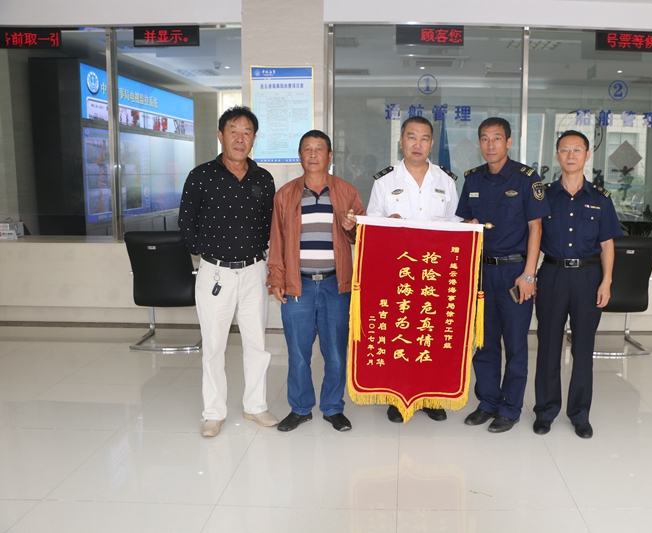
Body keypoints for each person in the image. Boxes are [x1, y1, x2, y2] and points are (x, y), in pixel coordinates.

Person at [178, 106, 276, 438]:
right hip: (215, 273)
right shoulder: (201, 175)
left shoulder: (263, 178)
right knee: (214, 345)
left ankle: (255, 406)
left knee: (257, 343)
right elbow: (186, 220)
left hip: (254, 271)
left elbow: (270, 224)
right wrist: (202, 250)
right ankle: (213, 413)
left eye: (247, 132)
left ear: (254, 139)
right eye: (233, 131)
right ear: (220, 135)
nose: (240, 138)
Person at [455, 117, 549, 433]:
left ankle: (510, 408)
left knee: (515, 344)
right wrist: (467, 227)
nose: (490, 145)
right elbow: (464, 223)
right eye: (484, 138)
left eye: (496, 138)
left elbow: (536, 228)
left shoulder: (526, 179)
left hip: (514, 273)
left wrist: (529, 275)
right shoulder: (473, 180)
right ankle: (488, 402)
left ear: (508, 142)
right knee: (484, 342)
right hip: (481, 273)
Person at [267, 130, 365, 432]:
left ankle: (333, 407)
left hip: (337, 285)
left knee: (335, 352)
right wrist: (277, 277)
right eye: (307, 149)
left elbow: (364, 236)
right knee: (298, 352)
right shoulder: (285, 194)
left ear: (329, 155)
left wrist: (352, 228)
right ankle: (300, 408)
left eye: (319, 149)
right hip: (299, 285)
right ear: (300, 156)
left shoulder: (346, 191)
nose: (312, 154)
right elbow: (277, 239)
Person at [366, 115, 461, 423]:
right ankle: (398, 397)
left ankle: (431, 397)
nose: (417, 144)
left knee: (430, 334)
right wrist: (386, 224)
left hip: (434, 274)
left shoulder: (445, 181)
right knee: (401, 335)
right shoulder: (385, 181)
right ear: (401, 141)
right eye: (411, 137)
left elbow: (455, 226)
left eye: (424, 138)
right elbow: (371, 223)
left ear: (431, 144)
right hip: (399, 274)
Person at [532, 130, 622, 439]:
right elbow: (534, 236)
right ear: (557, 155)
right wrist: (530, 276)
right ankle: (545, 411)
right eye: (565, 150)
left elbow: (608, 244)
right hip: (552, 275)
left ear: (586, 155)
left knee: (584, 349)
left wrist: (607, 281)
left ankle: (580, 414)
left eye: (577, 150)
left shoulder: (600, 198)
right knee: (548, 346)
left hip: (588, 277)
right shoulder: (544, 195)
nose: (571, 155)